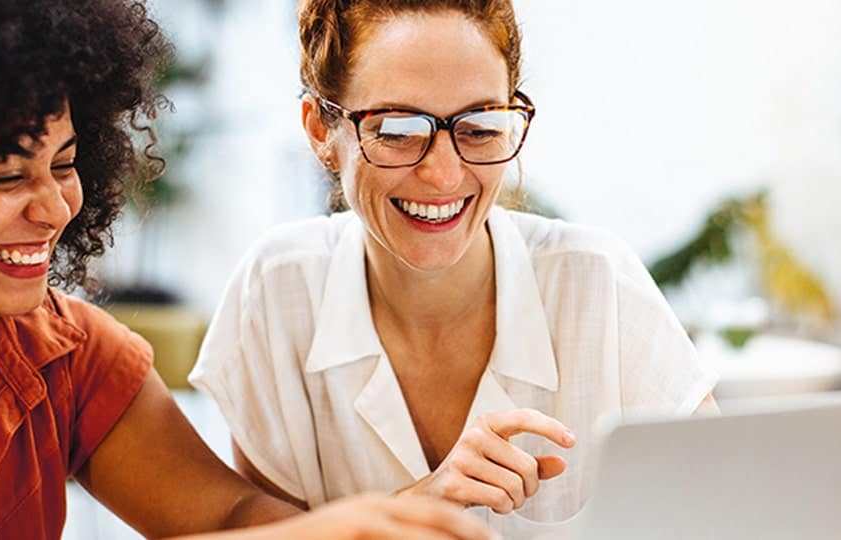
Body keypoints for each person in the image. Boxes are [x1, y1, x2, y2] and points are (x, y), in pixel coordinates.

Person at [0, 1, 494, 539]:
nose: (55, 204)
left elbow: (223, 516)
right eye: (7, 175)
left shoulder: (66, 354)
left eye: (64, 164)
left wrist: (384, 519)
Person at [189, 0, 720, 537]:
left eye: (481, 128)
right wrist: (421, 503)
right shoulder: (278, 291)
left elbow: (732, 514)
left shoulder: (598, 284)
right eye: (396, 130)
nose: (444, 175)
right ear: (320, 131)